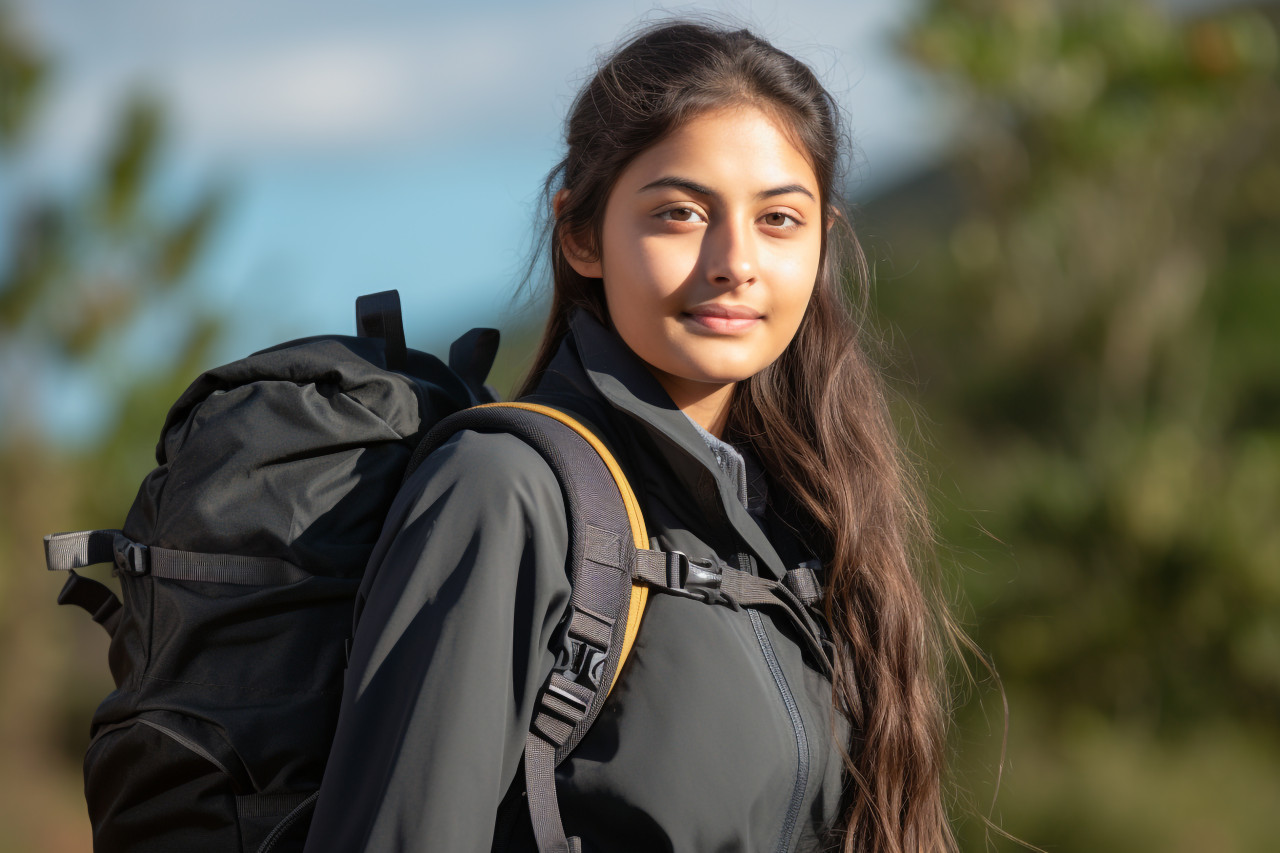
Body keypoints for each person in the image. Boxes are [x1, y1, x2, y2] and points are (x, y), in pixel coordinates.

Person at [304, 20, 957, 853]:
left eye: (779, 219)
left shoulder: (805, 526)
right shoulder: (503, 491)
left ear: (822, 237)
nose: (735, 261)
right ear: (581, 234)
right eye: (681, 213)